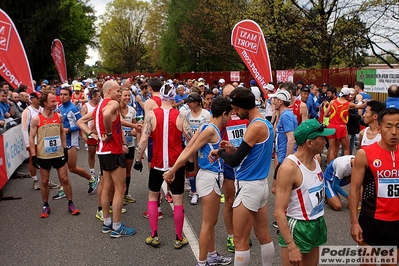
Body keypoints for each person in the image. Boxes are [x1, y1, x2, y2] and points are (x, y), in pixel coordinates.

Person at [164, 96, 233, 265]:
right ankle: (202, 262)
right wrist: (173, 170)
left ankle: (212, 254)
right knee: (207, 224)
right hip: (210, 177)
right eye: (230, 114)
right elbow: (190, 150)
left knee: (212, 222)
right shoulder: (210, 130)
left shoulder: (205, 127)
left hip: (209, 176)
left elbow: (188, 147)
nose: (231, 117)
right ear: (223, 113)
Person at [210, 88, 275, 266]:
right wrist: (231, 149)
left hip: (248, 186)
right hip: (259, 184)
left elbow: (234, 161)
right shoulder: (265, 123)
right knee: (263, 234)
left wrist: (220, 152)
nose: (235, 113)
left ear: (244, 106)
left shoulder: (255, 127)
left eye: (236, 109)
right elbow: (248, 154)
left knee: (240, 241)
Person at [77, 81, 136, 238]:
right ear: (109, 91)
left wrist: (91, 135)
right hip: (113, 151)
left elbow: (80, 122)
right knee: (120, 189)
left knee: (107, 186)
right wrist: (109, 134)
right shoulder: (112, 104)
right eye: (117, 91)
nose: (120, 93)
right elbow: (106, 115)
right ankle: (117, 227)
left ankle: (107, 223)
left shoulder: (98, 106)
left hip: (102, 152)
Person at [134, 83, 188, 249]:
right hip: (176, 164)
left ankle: (154, 235)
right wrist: (191, 159)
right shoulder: (180, 115)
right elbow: (191, 139)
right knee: (178, 201)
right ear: (173, 97)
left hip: (157, 163)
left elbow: (143, 140)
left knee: (152, 197)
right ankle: (179, 238)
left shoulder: (151, 115)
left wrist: (138, 159)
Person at [274, 119, 335, 266]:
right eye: (322, 138)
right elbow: (278, 211)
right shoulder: (289, 168)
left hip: (317, 222)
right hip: (298, 226)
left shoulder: (317, 159)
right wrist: (291, 244)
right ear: (309, 143)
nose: (325, 141)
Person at [349, 108, 399, 263]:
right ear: (379, 128)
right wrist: (354, 222)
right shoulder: (365, 154)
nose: (394, 132)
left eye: (398, 126)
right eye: (388, 126)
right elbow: (354, 189)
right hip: (371, 220)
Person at [29, 91, 80, 218]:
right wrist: (34, 155)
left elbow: (62, 132)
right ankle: (45, 205)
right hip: (44, 155)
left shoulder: (59, 116)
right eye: (52, 101)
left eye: (55, 101)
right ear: (45, 103)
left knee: (65, 179)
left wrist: (65, 149)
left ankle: (71, 203)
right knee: (45, 181)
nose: (55, 103)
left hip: (58, 154)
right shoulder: (37, 119)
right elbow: (31, 137)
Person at [53, 87, 99, 200]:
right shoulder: (60, 107)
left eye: (65, 94)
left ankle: (92, 179)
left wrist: (69, 130)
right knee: (60, 166)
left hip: (71, 142)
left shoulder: (73, 109)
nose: (62, 97)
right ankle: (63, 188)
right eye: (61, 94)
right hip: (62, 141)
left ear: (70, 96)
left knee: (72, 168)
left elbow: (81, 122)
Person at [220, 84, 249, 253]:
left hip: (246, 162)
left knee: (245, 201)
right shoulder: (222, 115)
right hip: (230, 162)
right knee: (230, 201)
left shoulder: (246, 113)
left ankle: (243, 233)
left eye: (232, 95)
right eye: (226, 96)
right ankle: (231, 236)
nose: (230, 99)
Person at [21, 92, 59, 190]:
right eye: (38, 98)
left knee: (46, 161)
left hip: (43, 140)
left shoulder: (43, 109)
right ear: (32, 99)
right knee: (32, 160)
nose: (39, 99)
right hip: (34, 141)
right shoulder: (27, 111)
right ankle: (35, 180)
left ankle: (47, 180)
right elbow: (24, 128)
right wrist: (27, 143)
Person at [182, 92, 211, 205]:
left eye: (190, 102)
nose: (187, 104)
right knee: (192, 168)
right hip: (190, 144)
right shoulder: (185, 113)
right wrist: (191, 141)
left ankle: (201, 189)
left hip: (203, 145)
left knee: (201, 168)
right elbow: (184, 129)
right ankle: (194, 192)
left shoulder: (206, 114)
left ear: (196, 102)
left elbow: (208, 130)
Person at [325, 87, 367, 163]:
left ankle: (330, 167)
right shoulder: (348, 104)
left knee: (332, 149)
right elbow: (361, 106)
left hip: (331, 126)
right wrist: (366, 102)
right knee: (346, 148)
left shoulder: (332, 102)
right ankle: (345, 165)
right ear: (347, 95)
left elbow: (326, 114)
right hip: (341, 126)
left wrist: (333, 116)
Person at [272, 90, 298, 195]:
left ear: (280, 101)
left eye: (275, 99)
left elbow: (291, 139)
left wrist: (288, 160)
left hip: (285, 158)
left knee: (279, 190)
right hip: (282, 156)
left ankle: (285, 210)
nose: (273, 101)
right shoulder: (284, 115)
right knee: (279, 189)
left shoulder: (286, 116)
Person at [120, 88, 139, 203]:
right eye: (125, 95)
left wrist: (134, 129)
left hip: (130, 144)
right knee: (119, 172)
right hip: (119, 145)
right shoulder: (115, 109)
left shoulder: (132, 110)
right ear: (120, 96)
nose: (127, 97)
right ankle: (119, 195)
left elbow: (135, 124)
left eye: (129, 95)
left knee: (127, 171)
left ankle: (125, 193)